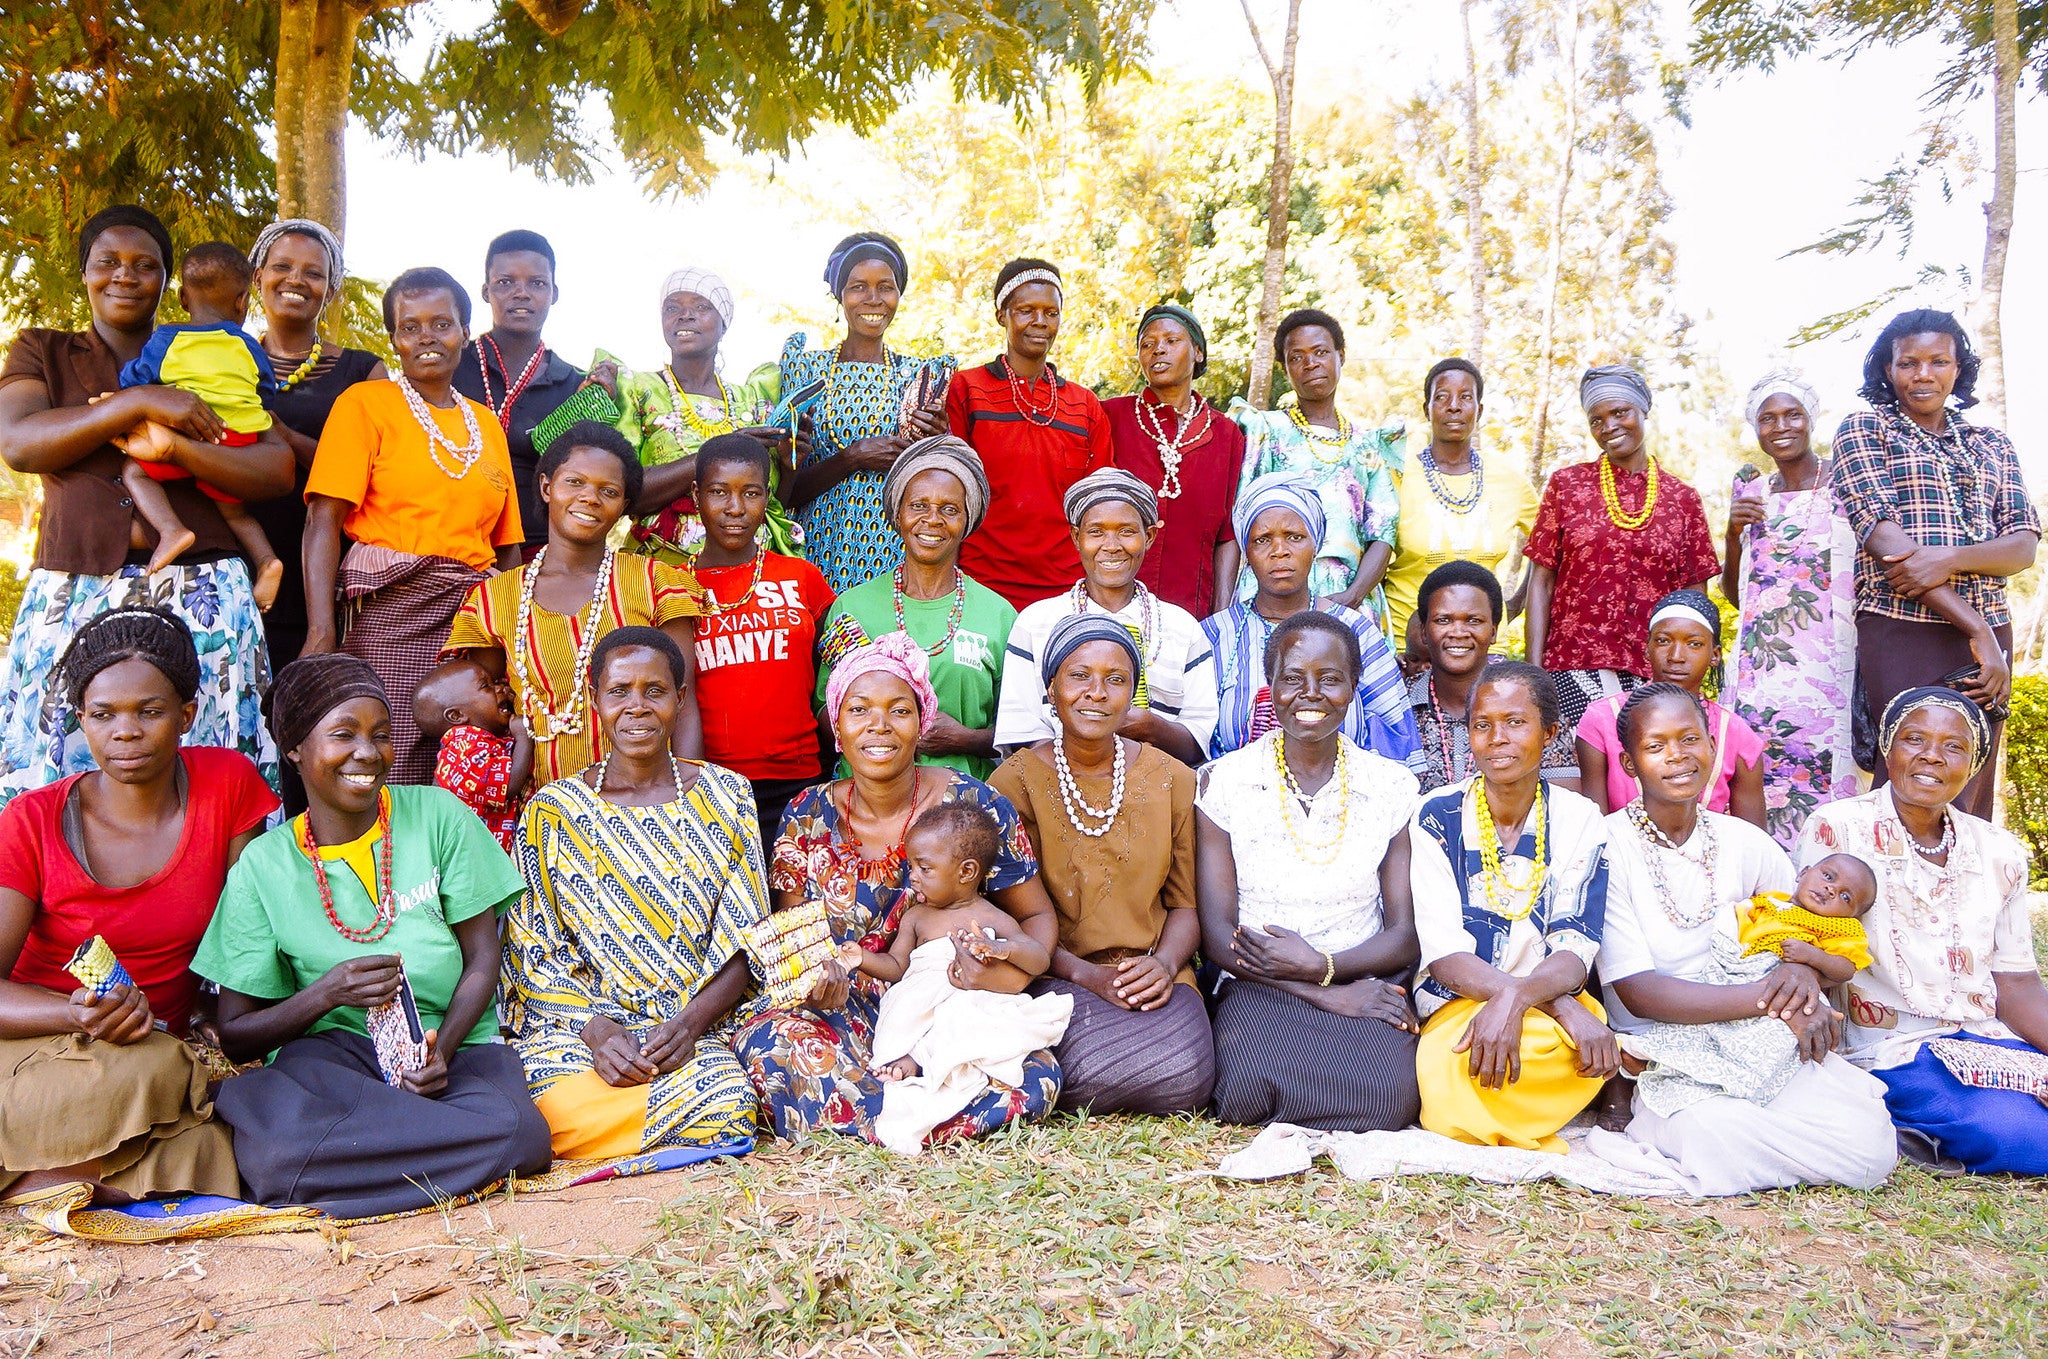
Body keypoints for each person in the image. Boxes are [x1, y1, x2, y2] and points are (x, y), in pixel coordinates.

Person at [194, 654, 552, 1218]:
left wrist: (443, 1052)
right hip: (333, 1061)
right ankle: (435, 1155)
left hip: (452, 1050)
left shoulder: (438, 815)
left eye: (381, 735)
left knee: (521, 1136)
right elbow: (238, 1037)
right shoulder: (262, 867)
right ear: (294, 748)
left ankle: (339, 1172)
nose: (367, 752)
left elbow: (483, 958)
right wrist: (326, 994)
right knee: (276, 1152)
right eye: (343, 734)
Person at [0, 204, 289, 805]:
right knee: (58, 775)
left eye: (145, 265)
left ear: (170, 285)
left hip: (200, 588)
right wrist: (136, 404)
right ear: (84, 273)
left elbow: (276, 468)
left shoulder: (218, 353)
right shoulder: (43, 351)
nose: (124, 276)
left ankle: (211, 900)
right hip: (75, 590)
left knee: (209, 772)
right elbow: (18, 443)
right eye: (107, 262)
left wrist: (180, 445)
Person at [733, 634, 1063, 1148]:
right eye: (858, 710)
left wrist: (999, 969)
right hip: (844, 1012)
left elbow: (1038, 920)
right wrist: (818, 979)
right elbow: (796, 941)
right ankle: (913, 1116)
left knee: (1035, 1079)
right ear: (837, 727)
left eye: (899, 710)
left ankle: (869, 1116)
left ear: (923, 720)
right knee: (771, 1043)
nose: (879, 726)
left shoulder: (973, 803)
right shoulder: (806, 813)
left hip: (951, 1005)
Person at [0, 609, 272, 1205]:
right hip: (40, 1037)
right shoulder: (32, 822)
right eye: (104, 715)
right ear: (82, 721)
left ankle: (42, 1180)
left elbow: (246, 940)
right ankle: (65, 1176)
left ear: (186, 716)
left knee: (212, 1131)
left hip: (153, 1045)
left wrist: (224, 1019)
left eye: (149, 711)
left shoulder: (226, 785)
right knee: (155, 1076)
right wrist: (77, 1015)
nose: (126, 731)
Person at [1598, 683, 1899, 1195]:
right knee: (1711, 1135)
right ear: (1629, 766)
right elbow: (1639, 992)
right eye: (1656, 746)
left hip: (1765, 1046)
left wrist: (1802, 970)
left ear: (1713, 746)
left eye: (1690, 739)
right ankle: (1679, 1128)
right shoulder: (1606, 845)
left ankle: (1750, 1145)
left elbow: (1805, 925)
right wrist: (1777, 1002)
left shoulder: (1746, 841)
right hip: (1663, 1050)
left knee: (1872, 1148)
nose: (1677, 756)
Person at [504, 628, 766, 1159]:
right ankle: (638, 1126)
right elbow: (533, 952)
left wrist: (689, 1026)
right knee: (523, 1098)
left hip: (690, 1029)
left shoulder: (728, 794)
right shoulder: (552, 810)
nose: (637, 708)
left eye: (655, 691)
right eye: (619, 691)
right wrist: (598, 1033)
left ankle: (592, 1136)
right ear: (595, 700)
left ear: (680, 700)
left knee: (730, 1100)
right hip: (582, 1029)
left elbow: (749, 943)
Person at [1799, 687, 2048, 1175]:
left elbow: (2017, 985)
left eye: (1954, 746)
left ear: (1974, 765)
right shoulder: (1839, 828)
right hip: (1891, 1048)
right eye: (1914, 739)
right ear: (1888, 749)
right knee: (2024, 1136)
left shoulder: (1999, 851)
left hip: (1985, 1039)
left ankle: (1924, 1135)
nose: (1932, 755)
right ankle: (1899, 1124)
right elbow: (1808, 944)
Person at [1198, 612, 1425, 1132]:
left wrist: (1329, 968)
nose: (1310, 693)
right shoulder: (1224, 783)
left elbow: (1404, 935)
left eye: (1330, 679)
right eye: (1293, 677)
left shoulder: (1390, 786)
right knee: (1244, 1088)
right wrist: (1321, 989)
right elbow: (1216, 935)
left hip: (1362, 973)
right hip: (1258, 982)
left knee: (1393, 1098)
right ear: (1270, 685)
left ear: (1353, 687)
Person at [303, 266, 523, 786]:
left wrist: (511, 639)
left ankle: (448, 869)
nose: (427, 337)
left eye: (442, 324)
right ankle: (383, 868)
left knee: (465, 770)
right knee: (385, 763)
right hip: (390, 618)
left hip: (473, 627)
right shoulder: (364, 404)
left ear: (465, 333)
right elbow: (322, 520)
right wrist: (320, 632)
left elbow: (508, 549)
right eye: (410, 327)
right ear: (395, 339)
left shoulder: (485, 425)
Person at [990, 614, 1214, 1116]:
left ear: (1133, 695)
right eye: (1079, 676)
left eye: (1116, 680)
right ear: (1051, 688)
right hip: (1054, 972)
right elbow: (1012, 917)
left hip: (1155, 973)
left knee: (1186, 1079)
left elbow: (1185, 904)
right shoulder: (1013, 782)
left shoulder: (1173, 778)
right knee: (1085, 1075)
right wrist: (1084, 976)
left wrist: (1163, 966)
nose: (1097, 692)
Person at [1831, 310, 2038, 821]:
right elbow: (1886, 541)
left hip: (1990, 632)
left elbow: (2022, 545)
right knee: (1908, 769)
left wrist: (1945, 559)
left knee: (1968, 776)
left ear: (1958, 368)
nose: (1923, 374)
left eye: (1938, 361)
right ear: (1886, 369)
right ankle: (1887, 895)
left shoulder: (1993, 445)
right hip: (1903, 629)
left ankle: (1965, 898)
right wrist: (1978, 631)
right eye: (1908, 363)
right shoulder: (1865, 428)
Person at [1408, 663, 1618, 1151]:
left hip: (1549, 1012)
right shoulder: (1435, 814)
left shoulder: (1578, 817)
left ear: (1550, 732)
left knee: (1561, 1052)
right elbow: (1445, 955)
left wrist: (1527, 1001)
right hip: (1461, 1003)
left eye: (1516, 722)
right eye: (1482, 725)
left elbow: (1574, 944)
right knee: (1454, 1066)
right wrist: (1552, 1003)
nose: (1497, 738)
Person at [442, 421, 703, 786]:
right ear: (547, 487)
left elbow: (683, 704)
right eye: (575, 482)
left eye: (608, 491)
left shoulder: (655, 582)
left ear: (624, 506)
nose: (590, 498)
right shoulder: (493, 599)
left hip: (644, 804)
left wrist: (687, 799)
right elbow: (485, 716)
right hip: (539, 810)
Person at [851, 803, 1072, 1155]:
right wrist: (861, 958)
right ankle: (913, 1057)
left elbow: (1038, 957)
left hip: (969, 999)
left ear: (967, 871)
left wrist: (1002, 949)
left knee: (968, 1015)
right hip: (920, 1002)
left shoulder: (992, 916)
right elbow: (897, 967)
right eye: (911, 866)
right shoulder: (917, 917)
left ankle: (921, 1061)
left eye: (924, 868)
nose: (913, 877)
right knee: (910, 1014)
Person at [1523, 364, 1721, 732]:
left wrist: (1690, 677)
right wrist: (1536, 674)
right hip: (1569, 667)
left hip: (1656, 675)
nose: (1609, 427)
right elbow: (1541, 582)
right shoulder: (1567, 486)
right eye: (1596, 420)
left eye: (1620, 413)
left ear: (1643, 411)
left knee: (1643, 781)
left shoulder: (1683, 499)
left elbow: (1694, 598)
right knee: (1579, 781)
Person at [565, 266, 802, 563]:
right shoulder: (638, 389)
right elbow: (622, 494)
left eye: (701, 307)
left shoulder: (754, 401)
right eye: (672, 307)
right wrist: (720, 451)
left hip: (750, 571)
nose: (684, 315)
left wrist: (789, 463)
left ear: (724, 323)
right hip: (662, 571)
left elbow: (773, 501)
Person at [815, 436, 1012, 780]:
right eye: (918, 505)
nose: (932, 519)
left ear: (968, 519)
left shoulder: (998, 615)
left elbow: (1021, 731)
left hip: (962, 806)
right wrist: (882, 730)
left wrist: (965, 739)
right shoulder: (851, 607)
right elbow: (824, 711)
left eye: (949, 509)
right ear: (898, 514)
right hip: (866, 803)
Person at [995, 467, 1218, 765]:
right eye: (1096, 532)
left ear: (1149, 536)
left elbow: (1198, 740)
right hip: (1056, 791)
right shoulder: (1036, 623)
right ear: (1076, 537)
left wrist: (1153, 728)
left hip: (1160, 794)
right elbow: (1021, 729)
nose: (1111, 546)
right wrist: (1084, 762)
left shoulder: (1183, 629)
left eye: (1126, 531)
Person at [1721, 369, 1859, 848]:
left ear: (1811, 419)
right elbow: (1737, 595)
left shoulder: (1846, 483)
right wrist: (1731, 533)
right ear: (1756, 429)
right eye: (1768, 418)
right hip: (1764, 677)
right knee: (1762, 783)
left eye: (1792, 414)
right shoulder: (1752, 491)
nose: (1781, 426)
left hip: (1831, 672)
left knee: (1830, 785)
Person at [1204, 472, 1423, 770]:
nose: (1279, 551)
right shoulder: (1214, 635)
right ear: (1247, 551)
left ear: (1316, 544)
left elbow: (1396, 739)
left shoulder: (1356, 633)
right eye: (1262, 540)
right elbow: (1193, 737)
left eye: (1295, 537)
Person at [245, 219, 388, 673]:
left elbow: (377, 475)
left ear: (330, 291)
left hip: (330, 579)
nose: (295, 280)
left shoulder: (364, 373)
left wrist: (285, 438)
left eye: (313, 273)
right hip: (237, 568)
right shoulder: (222, 361)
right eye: (282, 266)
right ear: (257, 278)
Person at [113, 242, 285, 603]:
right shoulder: (249, 345)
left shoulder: (166, 340)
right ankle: (267, 560)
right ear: (243, 302)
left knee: (134, 472)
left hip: (185, 434)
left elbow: (136, 380)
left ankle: (171, 529)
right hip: (237, 441)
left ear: (182, 298)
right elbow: (265, 390)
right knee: (235, 513)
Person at [784, 232, 955, 593]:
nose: (873, 299)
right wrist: (851, 458)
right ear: (840, 296)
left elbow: (934, 486)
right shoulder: (805, 370)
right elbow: (785, 490)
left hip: (893, 553)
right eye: (858, 287)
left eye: (885, 287)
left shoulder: (919, 375)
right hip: (817, 550)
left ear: (899, 295)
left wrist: (937, 442)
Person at [687, 433, 836, 846]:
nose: (735, 509)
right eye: (719, 493)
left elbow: (839, 668)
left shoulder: (801, 576)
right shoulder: (673, 586)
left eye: (750, 493)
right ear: (696, 494)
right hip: (711, 786)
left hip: (800, 782)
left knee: (798, 907)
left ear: (767, 495)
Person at [948, 259, 1115, 610]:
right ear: (1001, 315)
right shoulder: (965, 389)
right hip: (980, 584)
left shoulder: (1084, 404)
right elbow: (950, 489)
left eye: (1050, 312)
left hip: (1065, 587)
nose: (1040, 322)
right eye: (1026, 310)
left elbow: (1099, 502)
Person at [1229, 309, 1402, 621]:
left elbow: (1383, 533)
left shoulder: (1369, 444)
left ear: (1341, 356)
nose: (1311, 364)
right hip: (1271, 596)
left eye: (1321, 352)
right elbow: (1239, 524)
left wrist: (1353, 596)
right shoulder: (1266, 431)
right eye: (1297, 357)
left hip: (1349, 597)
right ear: (1285, 368)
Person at [1101, 303, 1247, 617]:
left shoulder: (1227, 435)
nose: (1158, 350)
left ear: (1198, 352)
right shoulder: (1110, 417)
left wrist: (1221, 614)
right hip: (1110, 609)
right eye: (1147, 344)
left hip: (1193, 612)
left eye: (1171, 341)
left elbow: (1228, 536)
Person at [1576, 589, 1766, 827]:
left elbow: (1752, 839)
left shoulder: (1737, 735)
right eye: (1663, 641)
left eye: (1694, 644)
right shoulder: (1602, 720)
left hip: (1710, 861)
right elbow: (1594, 828)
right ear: (1647, 649)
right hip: (1620, 859)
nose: (1676, 656)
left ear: (1715, 655)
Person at [1384, 359, 1539, 643]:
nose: (1454, 406)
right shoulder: (1396, 475)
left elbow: (1550, 552)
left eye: (1466, 397)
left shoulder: (1509, 480)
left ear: (1479, 410)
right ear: (1426, 409)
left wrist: (1516, 602)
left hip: (1487, 647)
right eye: (1441, 397)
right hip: (1410, 648)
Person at [452, 230, 585, 556]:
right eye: (505, 282)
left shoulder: (574, 386)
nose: (521, 293)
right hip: (450, 541)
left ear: (554, 292)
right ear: (486, 291)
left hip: (538, 549)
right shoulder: (450, 367)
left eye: (537, 283)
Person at [1408, 560, 1579, 792]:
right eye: (1443, 620)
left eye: (1473, 620)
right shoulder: (1398, 705)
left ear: (1494, 632)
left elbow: (1562, 807)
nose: (1458, 632)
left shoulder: (1530, 702)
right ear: (1424, 631)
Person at [420, 656, 531, 854]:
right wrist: (524, 736)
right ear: (457, 716)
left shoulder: (480, 741)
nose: (500, 689)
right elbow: (508, 786)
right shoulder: (464, 749)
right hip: (478, 862)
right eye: (487, 686)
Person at [1736, 855, 1878, 971]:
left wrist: (1814, 956)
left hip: (1785, 981)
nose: (1831, 889)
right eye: (1828, 876)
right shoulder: (1771, 900)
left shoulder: (1839, 928)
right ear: (1803, 873)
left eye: (1845, 897)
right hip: (1740, 962)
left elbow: (1847, 968)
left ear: (1852, 916)